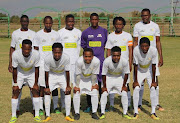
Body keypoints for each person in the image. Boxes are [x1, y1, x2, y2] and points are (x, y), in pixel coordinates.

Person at [133, 8, 164, 111]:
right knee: (140, 82)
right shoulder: (137, 26)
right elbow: (135, 41)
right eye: (143, 15)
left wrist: (161, 56)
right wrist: (134, 56)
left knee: (155, 81)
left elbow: (158, 42)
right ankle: (139, 104)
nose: (144, 17)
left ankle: (156, 104)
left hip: (152, 57)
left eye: (146, 15)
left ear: (150, 15)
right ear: (141, 16)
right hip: (141, 57)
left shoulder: (155, 26)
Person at [8, 15, 36, 115]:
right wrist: (10, 63)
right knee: (16, 88)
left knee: (33, 88)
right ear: (20, 22)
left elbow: (36, 49)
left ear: (28, 22)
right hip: (18, 67)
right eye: (23, 21)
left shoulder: (33, 34)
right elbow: (12, 48)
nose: (25, 23)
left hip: (30, 67)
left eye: (26, 21)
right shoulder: (15, 33)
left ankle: (35, 108)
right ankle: (17, 108)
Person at [9, 39, 41, 123]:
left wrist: (36, 83)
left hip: (31, 73)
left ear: (31, 48)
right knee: (15, 91)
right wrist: (15, 83)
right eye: (24, 49)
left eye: (28, 49)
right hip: (20, 73)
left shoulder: (36, 54)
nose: (26, 51)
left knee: (35, 91)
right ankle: (13, 115)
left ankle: (37, 114)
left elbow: (37, 69)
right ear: (21, 47)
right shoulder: (15, 54)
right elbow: (15, 69)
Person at [33, 16, 60, 115]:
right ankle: (40, 108)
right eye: (46, 23)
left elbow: (59, 49)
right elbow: (35, 50)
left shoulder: (56, 35)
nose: (48, 25)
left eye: (50, 23)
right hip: (42, 64)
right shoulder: (38, 34)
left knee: (55, 85)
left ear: (52, 23)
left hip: (54, 64)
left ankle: (55, 106)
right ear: (44, 23)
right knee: (42, 86)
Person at [81, 13, 108, 112]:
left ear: (98, 20)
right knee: (90, 82)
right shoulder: (85, 32)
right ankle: (90, 105)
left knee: (101, 82)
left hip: (101, 62)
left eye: (96, 19)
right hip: (89, 62)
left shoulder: (104, 31)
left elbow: (106, 44)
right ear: (90, 20)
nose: (94, 21)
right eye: (92, 19)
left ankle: (102, 104)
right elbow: (83, 45)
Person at [105, 17, 133, 111]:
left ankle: (128, 103)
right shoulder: (110, 36)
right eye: (117, 24)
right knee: (111, 84)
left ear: (123, 25)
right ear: (114, 25)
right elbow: (108, 50)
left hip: (124, 65)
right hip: (113, 65)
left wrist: (130, 62)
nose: (118, 26)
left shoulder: (128, 36)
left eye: (120, 24)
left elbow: (130, 49)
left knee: (126, 84)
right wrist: (108, 63)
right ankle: (112, 104)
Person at [43, 43, 74, 122]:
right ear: (52, 51)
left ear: (62, 51)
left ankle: (67, 115)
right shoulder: (47, 59)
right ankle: (47, 115)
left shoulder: (66, 58)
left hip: (62, 75)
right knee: (47, 93)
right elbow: (46, 73)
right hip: (52, 76)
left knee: (67, 92)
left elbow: (67, 72)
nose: (57, 54)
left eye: (59, 52)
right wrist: (46, 87)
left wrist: (68, 85)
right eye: (55, 52)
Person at [57, 14, 81, 113]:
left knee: (76, 84)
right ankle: (64, 105)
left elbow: (79, 47)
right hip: (64, 64)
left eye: (72, 21)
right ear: (65, 22)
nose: (71, 23)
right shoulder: (60, 33)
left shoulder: (79, 32)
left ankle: (76, 106)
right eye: (69, 21)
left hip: (75, 64)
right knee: (64, 85)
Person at [100, 46, 132, 120]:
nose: (116, 57)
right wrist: (104, 86)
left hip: (119, 78)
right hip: (109, 78)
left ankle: (125, 113)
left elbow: (127, 73)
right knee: (104, 93)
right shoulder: (107, 61)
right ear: (111, 54)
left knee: (124, 93)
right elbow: (104, 74)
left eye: (118, 55)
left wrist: (124, 85)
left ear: (120, 55)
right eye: (114, 55)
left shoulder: (124, 61)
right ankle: (102, 113)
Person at [132, 37, 159, 120]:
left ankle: (153, 112)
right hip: (139, 71)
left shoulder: (153, 50)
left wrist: (154, 81)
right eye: (142, 46)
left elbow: (154, 66)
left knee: (153, 88)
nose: (144, 48)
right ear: (139, 46)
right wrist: (135, 81)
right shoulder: (136, 50)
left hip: (149, 70)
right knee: (136, 88)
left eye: (146, 46)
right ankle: (136, 112)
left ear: (149, 46)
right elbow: (135, 66)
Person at [73, 48, 100, 120]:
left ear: (93, 56)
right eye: (86, 56)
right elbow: (78, 75)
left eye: (89, 56)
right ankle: (76, 113)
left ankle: (94, 112)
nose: (87, 58)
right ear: (83, 56)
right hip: (80, 79)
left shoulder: (96, 61)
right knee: (76, 93)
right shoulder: (79, 61)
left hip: (90, 79)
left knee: (94, 92)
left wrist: (94, 85)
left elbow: (94, 74)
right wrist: (77, 86)